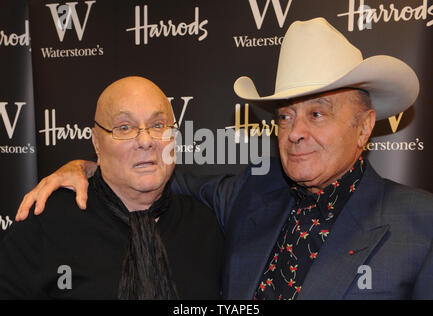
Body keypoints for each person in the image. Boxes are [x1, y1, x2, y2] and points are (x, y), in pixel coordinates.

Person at [15, 18, 433, 299]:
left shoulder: (421, 223)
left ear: (363, 127)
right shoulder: (248, 196)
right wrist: (90, 165)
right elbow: (153, 173)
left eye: (317, 113)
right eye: (285, 116)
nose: (296, 132)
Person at [0, 76, 223, 299]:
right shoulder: (48, 223)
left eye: (158, 125)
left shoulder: (207, 226)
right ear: (97, 142)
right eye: (124, 127)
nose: (145, 140)